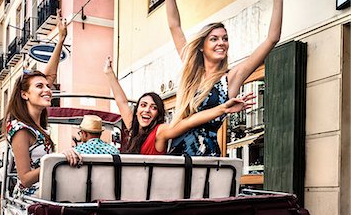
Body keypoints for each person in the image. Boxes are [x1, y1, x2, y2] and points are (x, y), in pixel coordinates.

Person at [160, 0, 289, 156]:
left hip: (206, 156)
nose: (222, 43)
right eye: (214, 39)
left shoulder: (230, 78)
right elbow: (174, 26)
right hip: (178, 152)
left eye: (225, 38)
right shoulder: (192, 70)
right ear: (202, 46)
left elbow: (272, 39)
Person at [103, 57, 254, 155]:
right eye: (143, 105)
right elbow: (122, 102)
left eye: (153, 107)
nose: (147, 110)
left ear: (158, 115)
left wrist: (223, 108)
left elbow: (189, 121)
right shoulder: (133, 129)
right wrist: (109, 73)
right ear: (137, 111)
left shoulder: (160, 132)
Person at [4, 9, 79, 197]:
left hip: (47, 192)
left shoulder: (36, 125)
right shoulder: (20, 128)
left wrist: (61, 39)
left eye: (48, 86)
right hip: (30, 200)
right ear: (25, 95)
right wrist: (57, 159)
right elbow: (25, 178)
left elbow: (50, 75)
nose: (47, 89)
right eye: (40, 86)